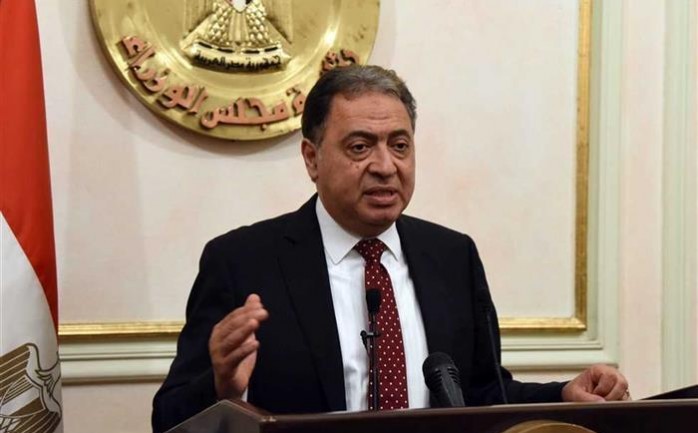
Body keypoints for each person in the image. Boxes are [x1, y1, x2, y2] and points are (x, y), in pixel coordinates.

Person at [152, 65, 629, 432]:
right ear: (312, 159)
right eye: (360, 147)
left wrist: (563, 396)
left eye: (399, 145)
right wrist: (221, 385)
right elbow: (168, 419)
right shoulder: (242, 262)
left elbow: (482, 393)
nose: (385, 166)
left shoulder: (452, 256)